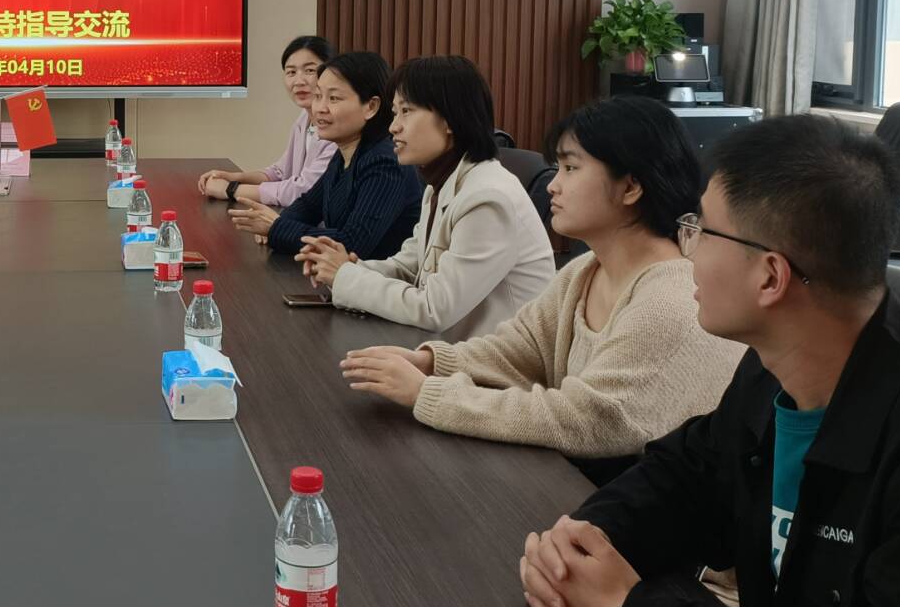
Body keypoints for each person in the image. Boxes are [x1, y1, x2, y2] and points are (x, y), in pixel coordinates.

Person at [519, 114, 900, 607]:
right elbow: (688, 473)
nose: (688, 250)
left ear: (771, 276)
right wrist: (583, 542)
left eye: (702, 229)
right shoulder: (774, 364)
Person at [339, 97, 743, 478]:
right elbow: (521, 350)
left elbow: (591, 418)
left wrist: (428, 393)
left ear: (630, 187)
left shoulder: (669, 297)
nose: (552, 185)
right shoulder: (584, 270)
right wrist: (431, 363)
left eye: (571, 168)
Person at [299, 55, 553, 335]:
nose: (393, 126)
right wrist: (347, 267)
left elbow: (435, 308)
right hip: (452, 348)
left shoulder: (488, 198)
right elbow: (411, 268)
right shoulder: (439, 184)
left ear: (450, 120)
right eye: (394, 113)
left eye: (406, 111)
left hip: (497, 359)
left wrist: (346, 276)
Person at [230, 51, 420, 261]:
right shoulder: (345, 152)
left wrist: (276, 228)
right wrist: (274, 226)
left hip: (381, 279)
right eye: (318, 96)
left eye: (334, 98)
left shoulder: (385, 162)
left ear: (371, 106)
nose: (319, 108)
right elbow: (308, 206)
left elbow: (351, 245)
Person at [197, 35, 337, 208]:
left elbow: (304, 191)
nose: (299, 81)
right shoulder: (304, 117)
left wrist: (231, 189)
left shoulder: (338, 127)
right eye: (291, 72)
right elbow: (280, 172)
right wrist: (233, 177)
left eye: (309, 70)